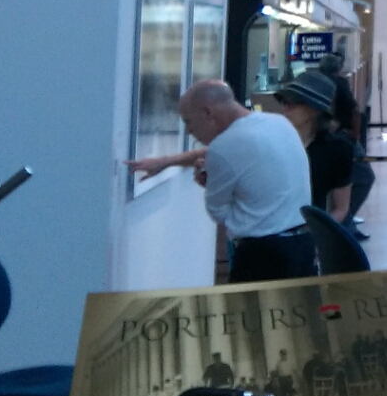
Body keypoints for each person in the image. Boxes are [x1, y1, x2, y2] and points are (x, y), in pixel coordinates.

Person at [127, 80, 315, 283]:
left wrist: (212, 183)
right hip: (304, 244)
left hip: (263, 255)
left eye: (188, 121)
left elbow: (219, 212)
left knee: (247, 306)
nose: (188, 131)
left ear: (208, 113)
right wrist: (166, 162)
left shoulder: (225, 146)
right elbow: (228, 152)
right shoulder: (278, 123)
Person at [276, 71, 354, 223]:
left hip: (313, 227)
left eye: (293, 103)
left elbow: (341, 209)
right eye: (284, 102)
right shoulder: (277, 142)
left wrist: (317, 232)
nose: (286, 109)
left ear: (314, 109)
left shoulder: (336, 149)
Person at [318, 54, 374, 242]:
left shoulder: (317, 83)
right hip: (343, 137)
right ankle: (344, 222)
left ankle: (344, 222)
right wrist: (355, 135)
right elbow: (354, 110)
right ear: (338, 68)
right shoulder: (340, 83)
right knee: (365, 177)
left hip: (324, 138)